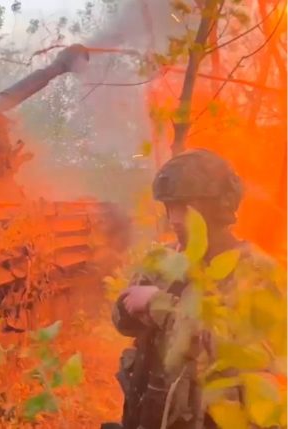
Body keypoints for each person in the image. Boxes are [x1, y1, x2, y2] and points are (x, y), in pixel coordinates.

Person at [111, 148, 280, 429]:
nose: (174, 218)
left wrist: (158, 306)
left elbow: (250, 351)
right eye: (169, 207)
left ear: (218, 207)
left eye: (184, 207)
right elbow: (122, 318)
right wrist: (127, 310)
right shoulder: (163, 261)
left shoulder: (256, 271)